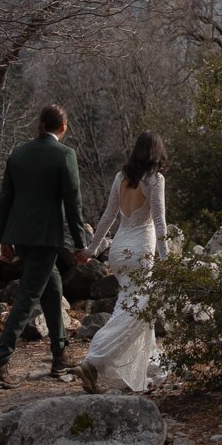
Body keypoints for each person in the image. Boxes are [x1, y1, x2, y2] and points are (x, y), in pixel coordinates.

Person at [0, 103, 91, 389]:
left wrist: (4, 239)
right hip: (46, 237)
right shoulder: (65, 155)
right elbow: (73, 203)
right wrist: (81, 244)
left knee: (52, 287)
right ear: (64, 126)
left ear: (40, 125)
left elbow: (5, 198)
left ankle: (60, 355)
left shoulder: (18, 153)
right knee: (26, 299)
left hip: (21, 236)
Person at [78, 131, 168, 393]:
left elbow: (107, 216)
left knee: (136, 306)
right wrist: (167, 258)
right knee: (135, 310)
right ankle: (94, 359)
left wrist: (92, 249)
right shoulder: (154, 179)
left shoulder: (121, 177)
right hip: (141, 250)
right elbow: (160, 222)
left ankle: (149, 365)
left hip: (119, 249)